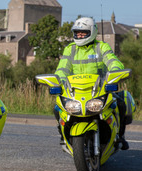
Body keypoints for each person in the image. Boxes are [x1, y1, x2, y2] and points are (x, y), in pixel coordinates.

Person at [55, 16, 129, 149]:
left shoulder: (101, 47)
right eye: (77, 32)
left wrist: (116, 72)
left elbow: (113, 61)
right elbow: (62, 68)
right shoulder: (70, 49)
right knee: (57, 108)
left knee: (121, 104)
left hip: (99, 89)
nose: (80, 35)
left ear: (92, 32)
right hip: (75, 91)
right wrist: (58, 80)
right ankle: (63, 136)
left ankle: (120, 136)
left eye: (83, 32)